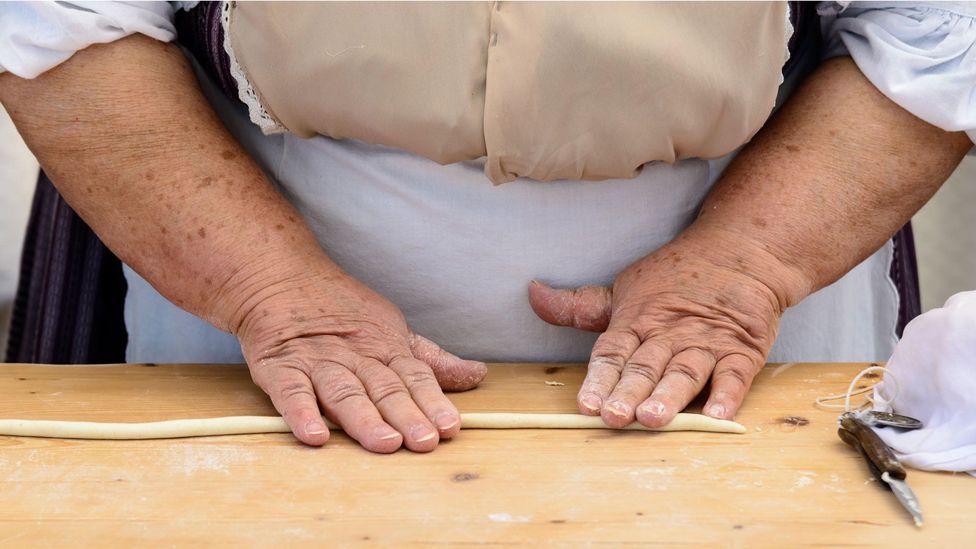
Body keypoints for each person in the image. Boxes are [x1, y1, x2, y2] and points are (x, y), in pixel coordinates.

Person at [0, 2, 972, 453]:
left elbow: (938, 27)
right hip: (236, 296)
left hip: (762, 301)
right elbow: (60, 19)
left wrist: (749, 265)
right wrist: (267, 288)